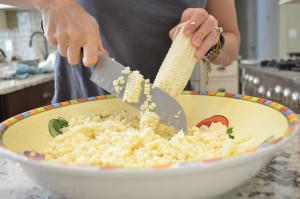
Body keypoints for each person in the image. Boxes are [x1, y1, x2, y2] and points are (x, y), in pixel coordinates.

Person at [0, 0, 240, 103]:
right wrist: (52, 3)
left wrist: (209, 39)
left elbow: (231, 43)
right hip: (78, 120)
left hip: (168, 121)